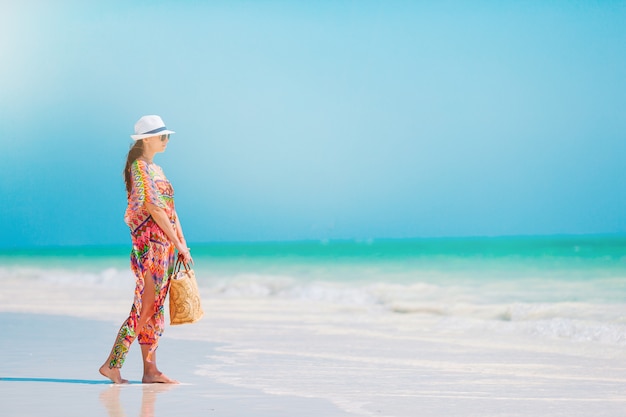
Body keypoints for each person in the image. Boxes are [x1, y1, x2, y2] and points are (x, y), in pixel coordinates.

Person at [99, 115, 193, 384]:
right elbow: (152, 208)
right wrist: (177, 243)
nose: (166, 140)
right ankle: (112, 363)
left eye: (167, 136)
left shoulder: (157, 169)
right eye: (163, 136)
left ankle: (150, 370)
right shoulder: (139, 168)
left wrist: (182, 244)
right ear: (147, 139)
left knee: (155, 308)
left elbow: (171, 211)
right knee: (146, 306)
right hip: (150, 248)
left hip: (165, 248)